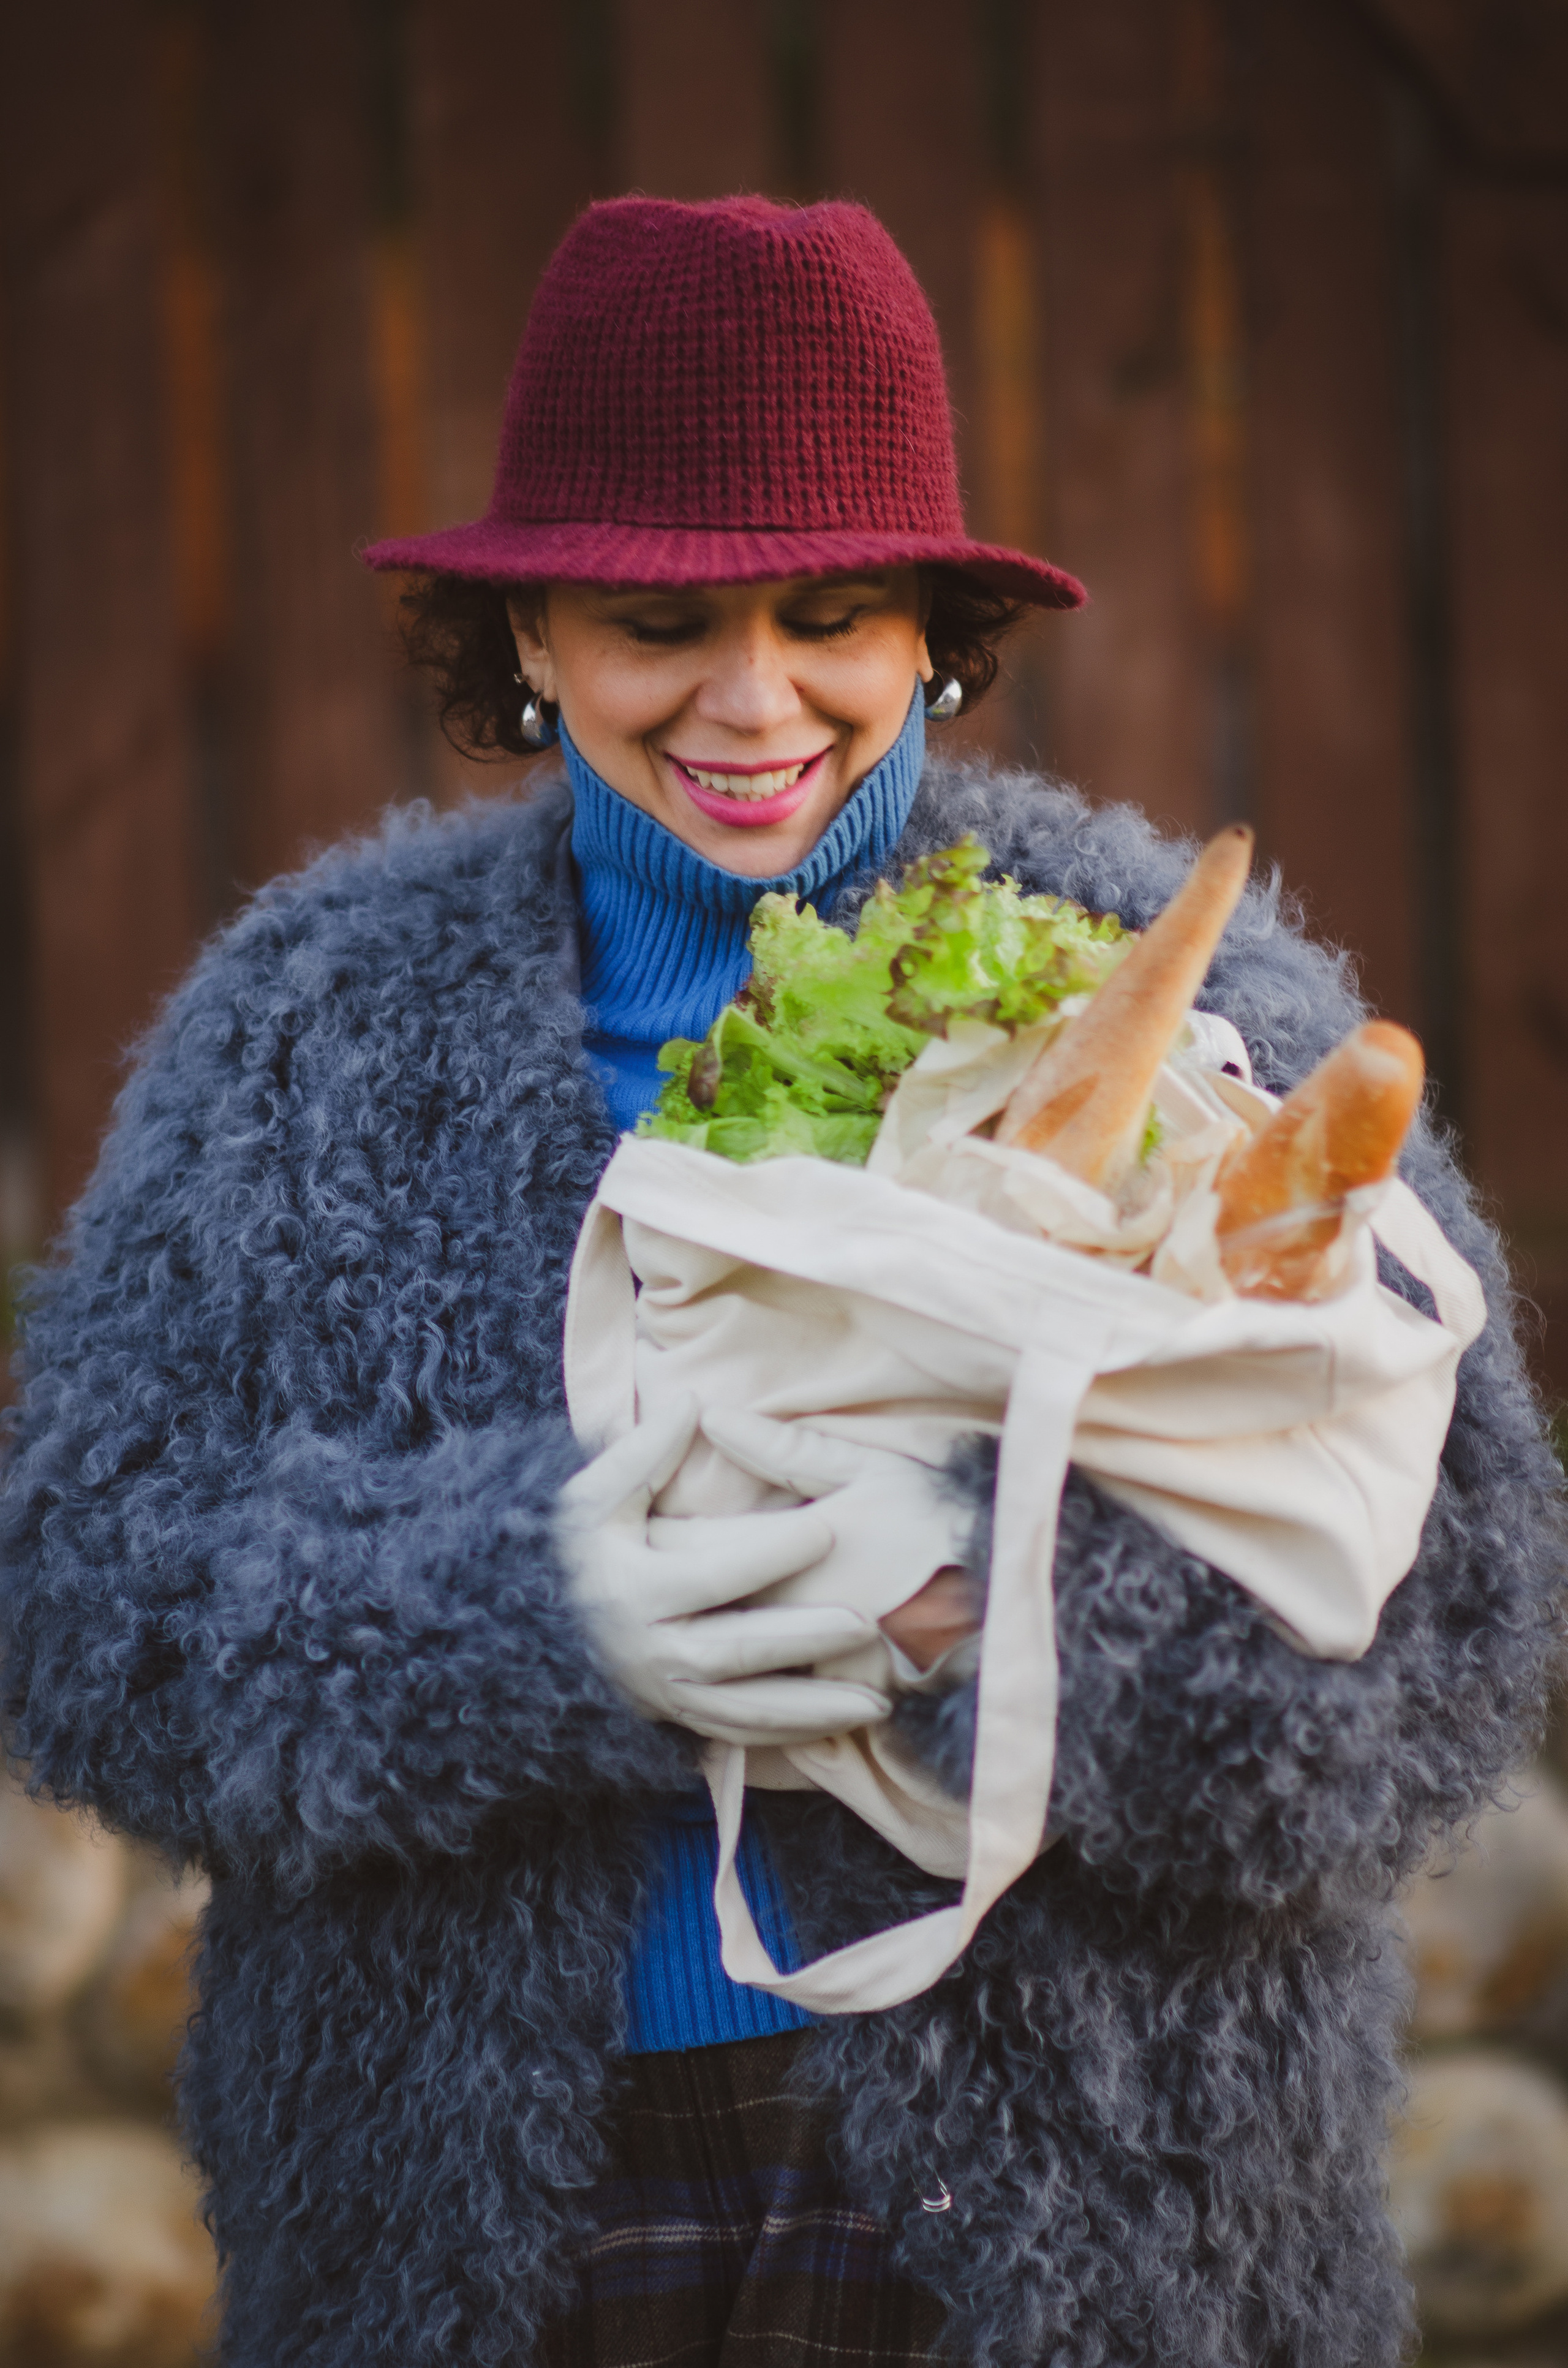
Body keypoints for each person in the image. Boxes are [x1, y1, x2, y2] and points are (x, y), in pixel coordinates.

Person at [1, 194, 1560, 2368]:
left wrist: (1003, 1615)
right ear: (531, 631)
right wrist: (529, 1608)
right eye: (660, 623)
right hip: (485, 2240)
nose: (755, 701)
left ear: (931, 627)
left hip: (1077, 2220)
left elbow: (1461, 1610)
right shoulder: (306, 1029)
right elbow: (83, 1594)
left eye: (830, 615)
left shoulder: (1176, 988)